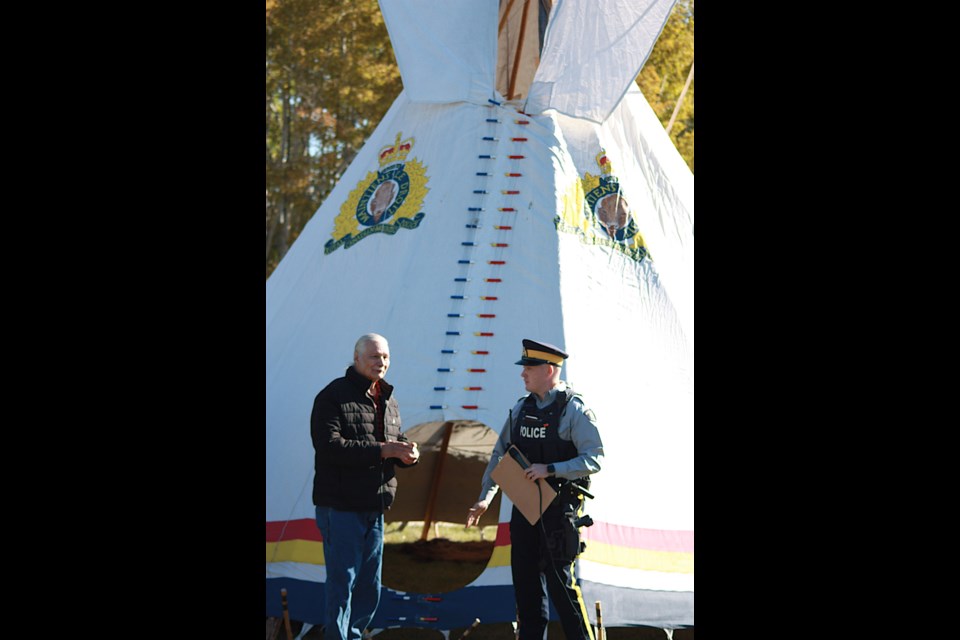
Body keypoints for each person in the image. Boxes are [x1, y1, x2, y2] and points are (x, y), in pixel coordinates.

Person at [466, 339, 603, 640]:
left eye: (529, 368)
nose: (522, 374)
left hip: (559, 513)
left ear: (550, 370)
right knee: (526, 589)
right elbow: (500, 455)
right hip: (525, 511)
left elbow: (595, 458)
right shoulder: (521, 408)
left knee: (561, 588)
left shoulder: (573, 409)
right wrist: (485, 497)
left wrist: (551, 469)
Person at [311, 333, 420, 640]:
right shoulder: (332, 396)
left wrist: (407, 454)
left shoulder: (388, 398)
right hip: (340, 505)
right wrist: (383, 450)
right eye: (374, 356)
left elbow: (391, 442)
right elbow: (329, 447)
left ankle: (354, 635)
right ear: (356, 358)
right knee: (342, 581)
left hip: (375, 506)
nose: (381, 362)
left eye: (385, 357)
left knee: (369, 584)